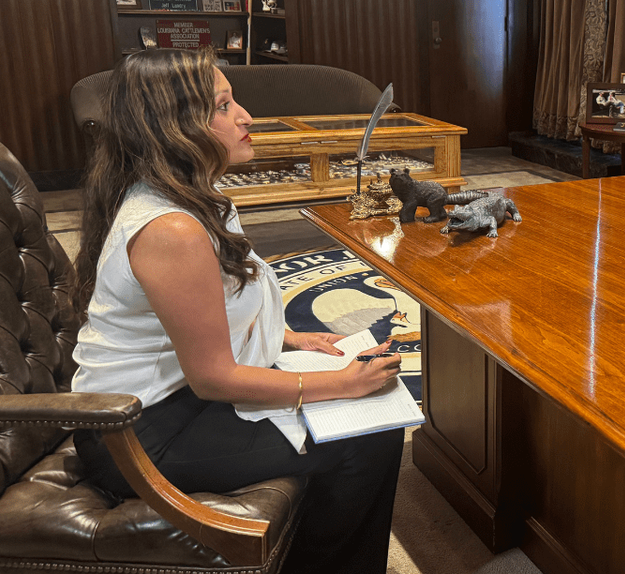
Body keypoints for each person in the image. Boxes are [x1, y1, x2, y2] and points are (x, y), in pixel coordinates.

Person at [70, 49, 404, 573]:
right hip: (138, 432)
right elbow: (213, 379)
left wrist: (290, 338)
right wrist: (341, 384)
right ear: (177, 126)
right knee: (366, 434)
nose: (246, 116)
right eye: (224, 106)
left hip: (177, 400)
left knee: (371, 420)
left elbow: (211, 308)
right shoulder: (171, 229)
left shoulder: (194, 195)